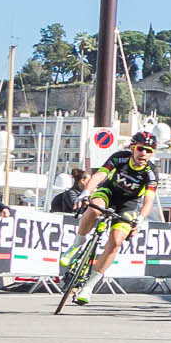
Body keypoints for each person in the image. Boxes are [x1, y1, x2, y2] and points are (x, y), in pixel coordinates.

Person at [69, 129, 161, 306]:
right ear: (133, 148)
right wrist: (86, 192)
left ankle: (89, 286)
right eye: (141, 148)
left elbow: (149, 200)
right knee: (95, 210)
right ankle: (77, 244)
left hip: (129, 204)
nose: (144, 153)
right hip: (109, 193)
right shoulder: (120, 157)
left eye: (149, 150)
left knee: (116, 241)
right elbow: (99, 175)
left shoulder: (151, 172)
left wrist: (141, 219)